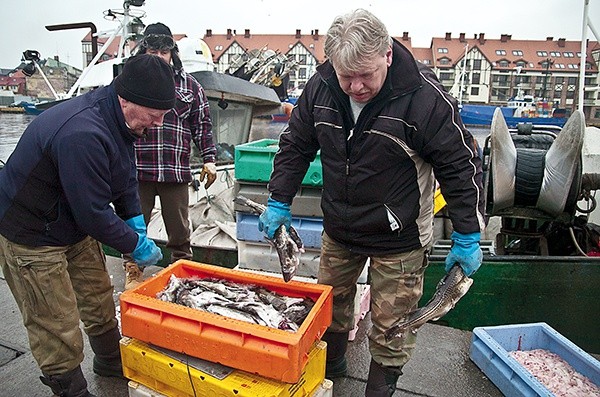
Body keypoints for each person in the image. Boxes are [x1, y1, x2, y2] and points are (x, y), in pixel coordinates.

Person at [258, 9, 485, 397]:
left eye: (366, 75)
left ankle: (379, 389)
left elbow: (460, 167)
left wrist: (467, 233)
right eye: (347, 77)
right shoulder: (322, 88)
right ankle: (333, 372)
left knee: (391, 325)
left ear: (388, 56)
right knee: (328, 307)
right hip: (341, 228)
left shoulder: (425, 101)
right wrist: (279, 198)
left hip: (400, 235)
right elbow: (295, 145)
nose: (357, 86)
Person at [0, 54, 175, 397]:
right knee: (55, 320)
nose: (158, 123)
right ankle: (71, 390)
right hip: (31, 232)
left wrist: (134, 220)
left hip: (69, 221)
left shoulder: (121, 120)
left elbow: (124, 177)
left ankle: (110, 361)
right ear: (127, 101)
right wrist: (134, 244)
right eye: (155, 116)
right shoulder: (83, 132)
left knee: (97, 297)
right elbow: (93, 213)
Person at [123, 22, 217, 289]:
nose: (157, 58)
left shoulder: (190, 85)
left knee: (179, 228)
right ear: (143, 51)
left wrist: (209, 158)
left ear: (171, 54)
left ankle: (182, 268)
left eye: (163, 53)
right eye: (151, 52)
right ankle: (132, 268)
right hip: (137, 168)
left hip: (174, 170)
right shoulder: (130, 81)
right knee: (132, 221)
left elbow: (202, 124)